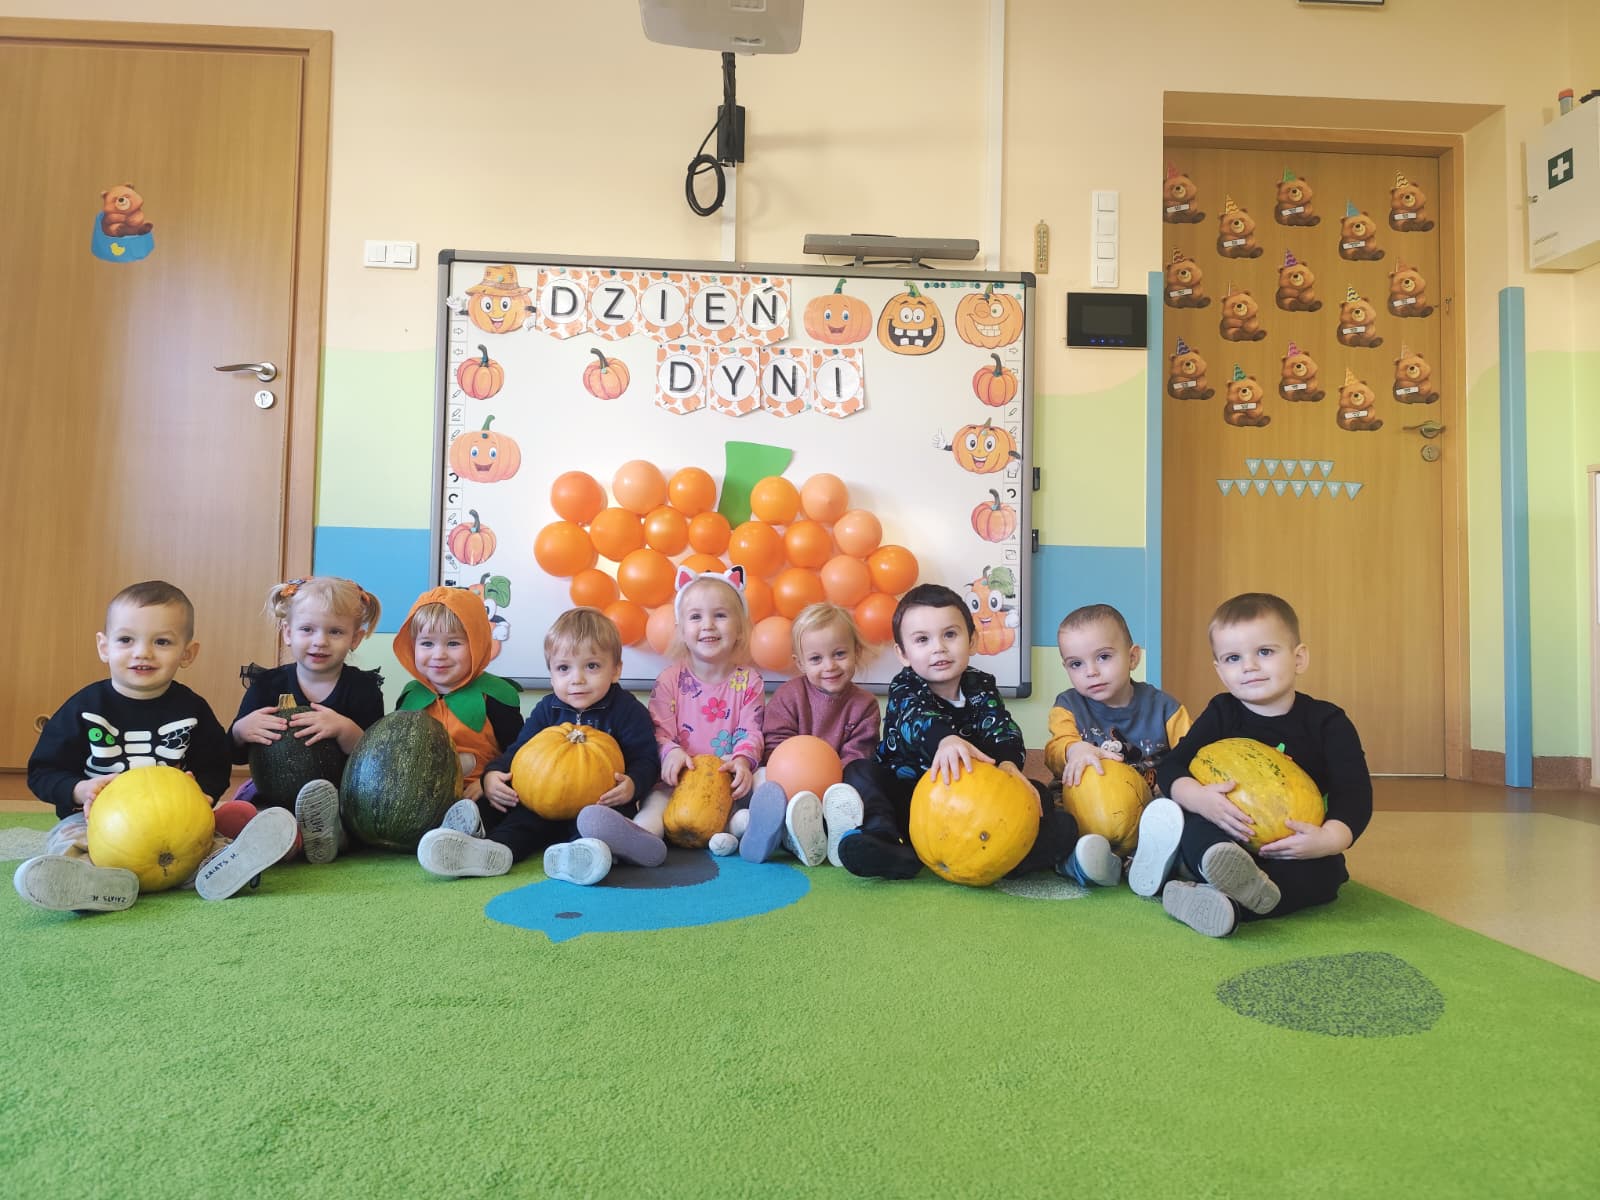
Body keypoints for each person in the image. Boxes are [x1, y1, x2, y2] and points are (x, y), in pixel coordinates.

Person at [14, 580, 297, 912]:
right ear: (104, 647)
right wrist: (80, 790)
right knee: (67, 842)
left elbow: (215, 763)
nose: (142, 652)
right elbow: (43, 771)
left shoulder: (192, 709)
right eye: (126, 640)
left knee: (210, 841)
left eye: (161, 641)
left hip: (177, 830)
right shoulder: (83, 708)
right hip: (93, 823)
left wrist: (203, 793)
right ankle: (92, 885)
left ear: (187, 653)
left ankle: (225, 868)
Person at [835, 584, 1116, 887]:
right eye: (922, 640)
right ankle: (885, 840)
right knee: (859, 771)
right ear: (903, 653)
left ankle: (1012, 856)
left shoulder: (980, 686)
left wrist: (1008, 764)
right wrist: (945, 740)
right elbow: (914, 719)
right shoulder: (905, 687)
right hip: (909, 799)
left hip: (971, 811)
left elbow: (1002, 727)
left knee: (1038, 795)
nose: (939, 648)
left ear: (972, 641)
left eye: (950, 635)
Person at [1149, 592, 1372, 937]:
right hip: (1226, 833)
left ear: (1299, 658)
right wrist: (1200, 799)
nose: (1249, 666)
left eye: (1265, 652)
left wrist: (1329, 838)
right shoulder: (1222, 712)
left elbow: (1354, 794)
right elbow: (1172, 766)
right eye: (1233, 658)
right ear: (1220, 670)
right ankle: (1208, 873)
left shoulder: (1328, 722)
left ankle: (1220, 904)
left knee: (1327, 875)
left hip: (1291, 845)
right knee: (1194, 826)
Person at [418, 607, 659, 883]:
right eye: (564, 668)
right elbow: (518, 751)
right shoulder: (548, 709)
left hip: (599, 802)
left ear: (616, 670)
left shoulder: (627, 710)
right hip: (542, 803)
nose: (577, 679)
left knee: (598, 823)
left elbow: (647, 758)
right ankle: (491, 851)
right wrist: (492, 775)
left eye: (592, 666)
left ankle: (581, 855)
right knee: (519, 818)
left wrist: (633, 784)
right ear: (551, 674)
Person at [564, 566, 764, 882]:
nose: (708, 625)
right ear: (681, 630)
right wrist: (671, 753)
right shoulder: (670, 679)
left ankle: (747, 829)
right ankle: (640, 841)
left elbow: (752, 730)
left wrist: (742, 761)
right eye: (696, 617)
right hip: (676, 781)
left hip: (727, 782)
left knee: (763, 780)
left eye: (720, 615)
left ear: (740, 628)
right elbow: (657, 730)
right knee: (655, 806)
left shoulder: (750, 681)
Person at [226, 576, 384, 864]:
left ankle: (320, 837)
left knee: (360, 821)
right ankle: (273, 839)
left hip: (339, 796)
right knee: (250, 811)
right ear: (288, 633)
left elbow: (375, 761)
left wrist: (344, 729)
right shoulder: (267, 685)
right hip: (272, 793)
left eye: (335, 631)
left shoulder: (363, 689)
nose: (320, 641)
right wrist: (240, 730)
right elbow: (233, 754)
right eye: (307, 629)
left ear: (355, 638)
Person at [1044, 603, 1192, 893]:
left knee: (1183, 816)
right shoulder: (1068, 705)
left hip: (1146, 811)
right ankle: (1086, 863)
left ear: (1132, 657)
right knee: (1053, 828)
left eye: (1103, 657)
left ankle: (1151, 861)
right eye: (1076, 664)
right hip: (1080, 812)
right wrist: (1074, 749)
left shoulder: (1165, 708)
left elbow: (1191, 754)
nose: (1091, 672)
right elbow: (1053, 750)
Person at [744, 602, 876, 867]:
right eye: (816, 659)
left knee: (865, 779)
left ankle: (835, 832)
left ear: (857, 652)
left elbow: (859, 752)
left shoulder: (865, 704)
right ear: (801, 663)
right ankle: (773, 828)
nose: (830, 666)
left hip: (836, 786)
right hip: (788, 782)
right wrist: (797, 776)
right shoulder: (789, 695)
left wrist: (828, 783)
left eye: (839, 654)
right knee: (761, 778)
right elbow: (775, 743)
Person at [391, 586, 524, 832]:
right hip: (421, 798)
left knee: (498, 809)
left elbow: (520, 754)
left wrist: (487, 781)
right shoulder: (410, 697)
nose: (439, 655)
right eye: (427, 643)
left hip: (480, 793)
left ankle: (462, 837)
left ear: (477, 643)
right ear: (412, 646)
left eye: (453, 643)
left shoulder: (496, 696)